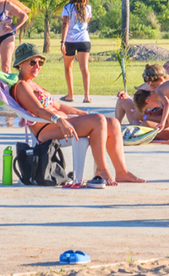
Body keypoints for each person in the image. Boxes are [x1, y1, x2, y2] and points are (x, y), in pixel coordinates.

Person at [10, 43, 143, 187]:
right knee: (98, 121)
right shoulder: (22, 86)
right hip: (47, 130)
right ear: (20, 64)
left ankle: (122, 172)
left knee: (112, 122)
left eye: (40, 62)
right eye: (32, 62)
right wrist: (59, 120)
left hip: (60, 123)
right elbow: (38, 110)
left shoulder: (34, 84)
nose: (37, 66)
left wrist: (85, 114)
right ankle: (102, 170)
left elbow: (59, 106)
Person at [60, 0, 93, 103]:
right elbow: (87, 20)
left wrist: (62, 42)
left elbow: (65, 24)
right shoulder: (88, 8)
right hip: (84, 40)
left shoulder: (67, 8)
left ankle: (70, 94)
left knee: (68, 67)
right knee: (84, 68)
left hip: (70, 40)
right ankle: (86, 96)